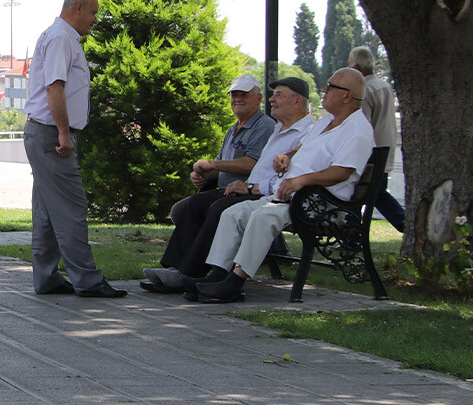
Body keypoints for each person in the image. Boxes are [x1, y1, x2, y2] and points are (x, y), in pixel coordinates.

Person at [195, 68, 375, 304]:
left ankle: (235, 282)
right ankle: (218, 273)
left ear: (347, 96)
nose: (324, 89)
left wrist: (300, 180)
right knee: (233, 212)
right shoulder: (327, 122)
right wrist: (287, 156)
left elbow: (342, 171)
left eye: (330, 87)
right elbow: (304, 148)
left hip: (320, 204)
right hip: (290, 196)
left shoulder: (357, 130)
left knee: (263, 216)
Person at [144, 77, 315, 295]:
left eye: (278, 95)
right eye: (234, 95)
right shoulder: (277, 129)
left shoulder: (276, 128)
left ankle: (192, 273)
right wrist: (206, 175)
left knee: (217, 207)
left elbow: (260, 168)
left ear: (298, 100)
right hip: (249, 189)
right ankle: (176, 268)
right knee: (195, 204)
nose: (272, 100)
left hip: (266, 194)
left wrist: (247, 185)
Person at [21, 0, 126, 298]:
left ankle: (47, 279)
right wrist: (65, 133)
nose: (95, 20)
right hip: (52, 135)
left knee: (47, 211)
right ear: (77, 7)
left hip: (44, 133)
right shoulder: (60, 38)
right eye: (93, 13)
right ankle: (87, 280)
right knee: (72, 207)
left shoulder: (59, 37)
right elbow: (55, 88)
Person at [349, 46, 405, 232]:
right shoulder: (384, 86)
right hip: (384, 147)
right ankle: (352, 235)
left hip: (371, 152)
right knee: (374, 192)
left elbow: (362, 124)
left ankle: (404, 223)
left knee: (364, 193)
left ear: (356, 67)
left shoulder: (364, 90)